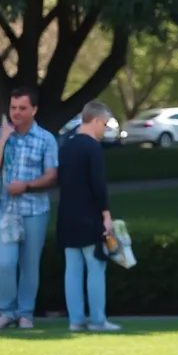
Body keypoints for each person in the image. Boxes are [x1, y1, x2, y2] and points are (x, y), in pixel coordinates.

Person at [0, 86, 59, 330]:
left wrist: (26, 186)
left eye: (22, 108)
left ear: (34, 110)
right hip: (3, 209)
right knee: (5, 263)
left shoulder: (46, 139)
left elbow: (51, 175)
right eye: (13, 108)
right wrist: (3, 139)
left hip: (35, 209)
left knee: (29, 265)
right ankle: (6, 311)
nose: (16, 112)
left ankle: (25, 313)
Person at [57, 101, 120, 333]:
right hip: (89, 215)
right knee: (96, 266)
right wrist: (106, 215)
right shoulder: (92, 148)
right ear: (94, 121)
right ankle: (98, 319)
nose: (105, 129)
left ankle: (76, 320)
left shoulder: (66, 146)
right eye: (104, 124)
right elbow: (98, 185)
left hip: (67, 215)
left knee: (72, 268)